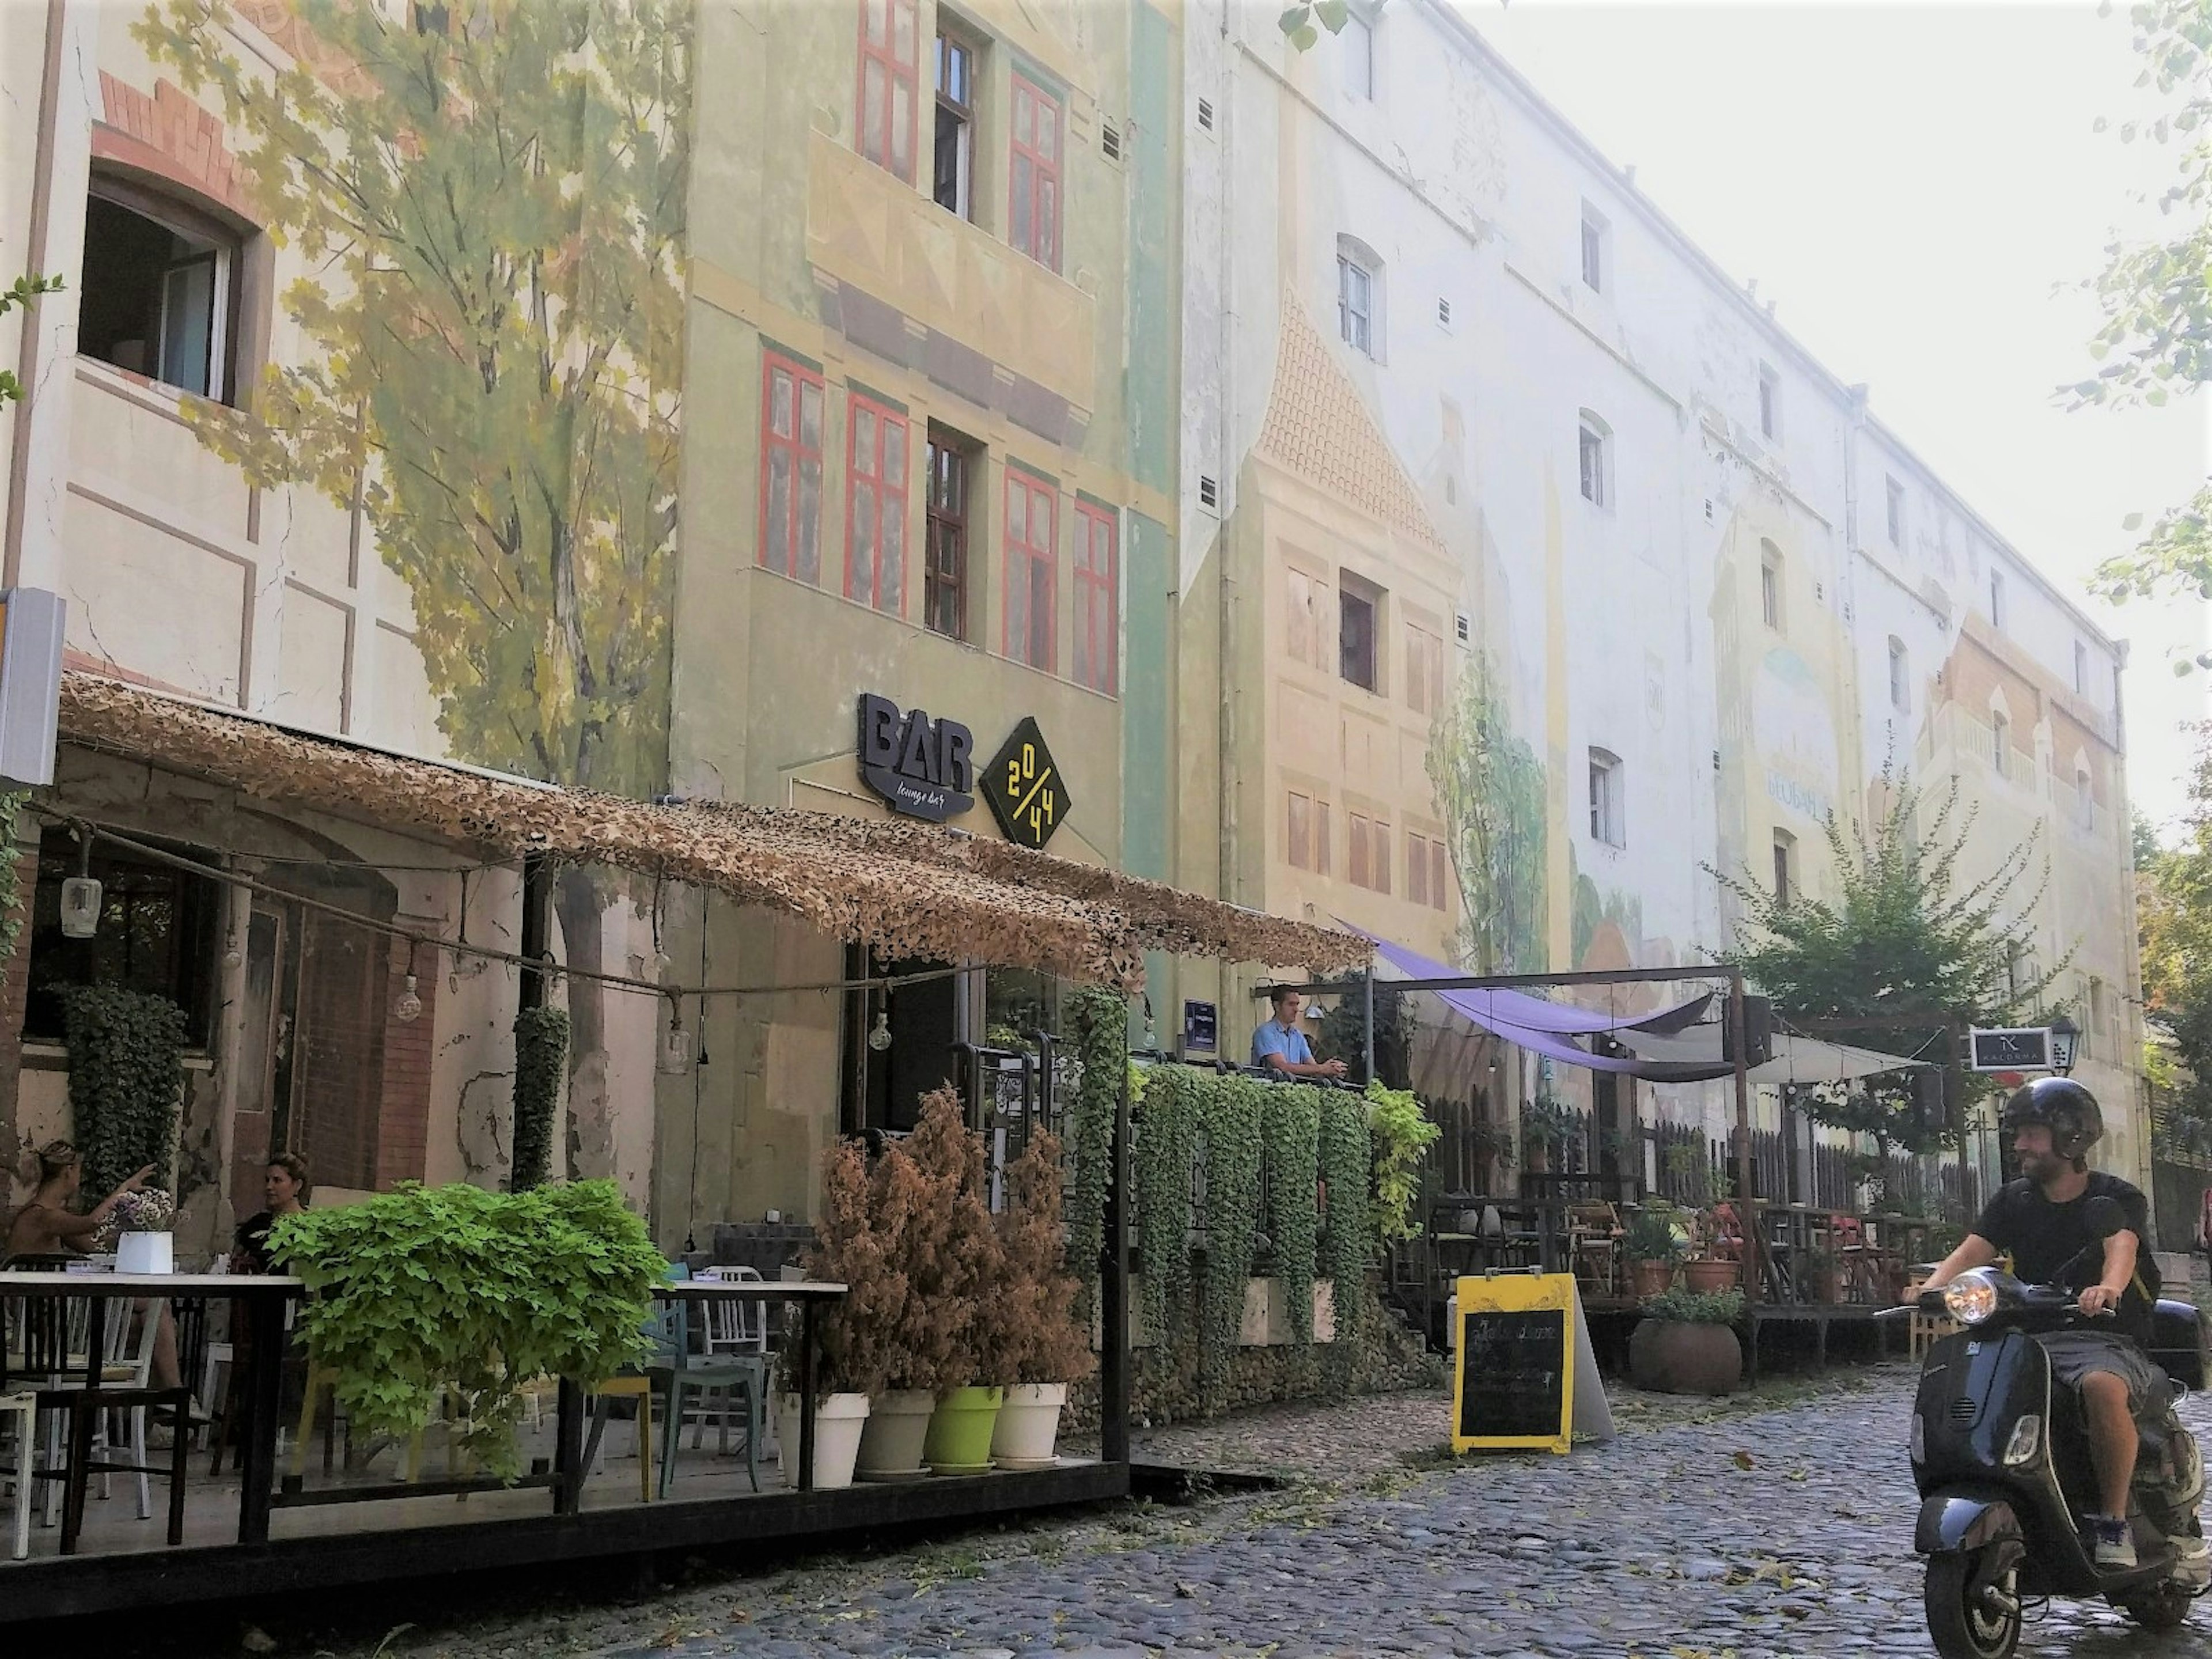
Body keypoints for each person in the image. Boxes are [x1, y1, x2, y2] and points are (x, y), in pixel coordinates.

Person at [1911, 1077, 2167, 1569]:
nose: (2020, 1145)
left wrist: (2108, 1288)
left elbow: (2123, 1247)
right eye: (2019, 1134)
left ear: (2070, 1137)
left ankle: (2114, 1523)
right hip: (2031, 1337)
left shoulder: (2115, 1196)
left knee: (2100, 1388)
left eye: (2031, 1134)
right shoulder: (2015, 1200)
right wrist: (1931, 1288)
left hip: (2103, 1336)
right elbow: (1973, 1250)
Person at [3, 1140, 154, 1261]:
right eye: (78, 1170)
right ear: (68, 1171)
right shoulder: (42, 1216)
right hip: (31, 1299)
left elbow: (92, 1245)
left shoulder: (48, 1218)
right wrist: (125, 1189)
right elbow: (93, 1222)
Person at [230, 1153, 310, 1275]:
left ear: (297, 1185)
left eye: (277, 1181)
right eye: (267, 1180)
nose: (269, 1187)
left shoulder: (310, 1227)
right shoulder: (256, 1224)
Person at [1250, 987, 1348, 1080]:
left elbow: (1313, 1067)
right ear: (1277, 1006)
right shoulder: (1265, 1032)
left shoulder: (1298, 1035)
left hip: (1293, 1092)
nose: (1296, 1009)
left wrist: (1332, 1068)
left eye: (1297, 1004)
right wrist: (1322, 1069)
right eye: (1291, 1004)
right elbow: (1282, 1067)